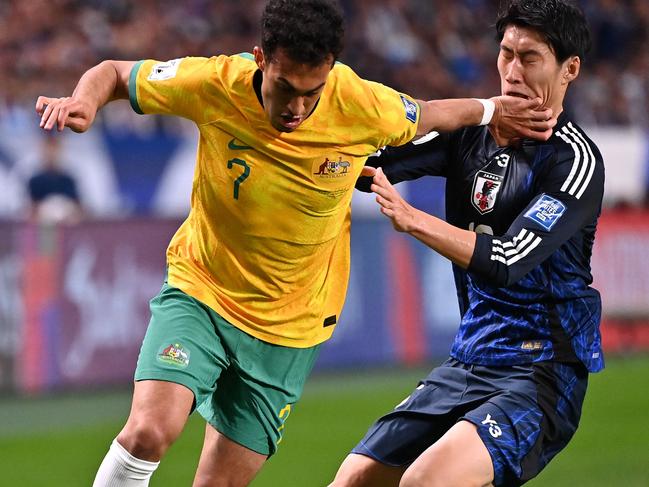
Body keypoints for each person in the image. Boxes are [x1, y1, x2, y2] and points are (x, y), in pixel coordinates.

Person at [36, 1, 555, 486]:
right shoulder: (216, 81)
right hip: (204, 291)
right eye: (285, 88)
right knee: (148, 432)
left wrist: (492, 110)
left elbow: (432, 113)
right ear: (261, 59)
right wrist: (82, 100)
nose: (298, 107)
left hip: (292, 328)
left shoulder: (361, 104)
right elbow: (113, 73)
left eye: (313, 91)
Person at [330, 1, 603, 486]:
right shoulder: (470, 135)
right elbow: (357, 166)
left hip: (540, 373)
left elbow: (506, 259)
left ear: (570, 70)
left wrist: (413, 219)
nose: (512, 72)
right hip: (469, 359)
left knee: (423, 483)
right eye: (506, 54)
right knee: (352, 480)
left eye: (530, 58)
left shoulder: (573, 161)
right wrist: (473, 112)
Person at [27, 135, 83, 224]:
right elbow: (30, 210)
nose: (51, 154)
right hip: (41, 228)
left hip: (66, 227)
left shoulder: (68, 180)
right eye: (47, 151)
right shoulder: (35, 181)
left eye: (54, 150)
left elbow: (79, 209)